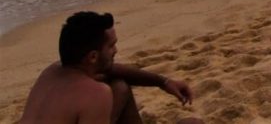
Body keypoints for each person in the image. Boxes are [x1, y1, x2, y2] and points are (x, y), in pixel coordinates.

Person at [19, 11, 202, 124]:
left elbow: (111, 70)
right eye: (111, 45)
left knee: (120, 87)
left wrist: (164, 82)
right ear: (92, 56)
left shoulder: (50, 73)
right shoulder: (97, 94)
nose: (116, 50)